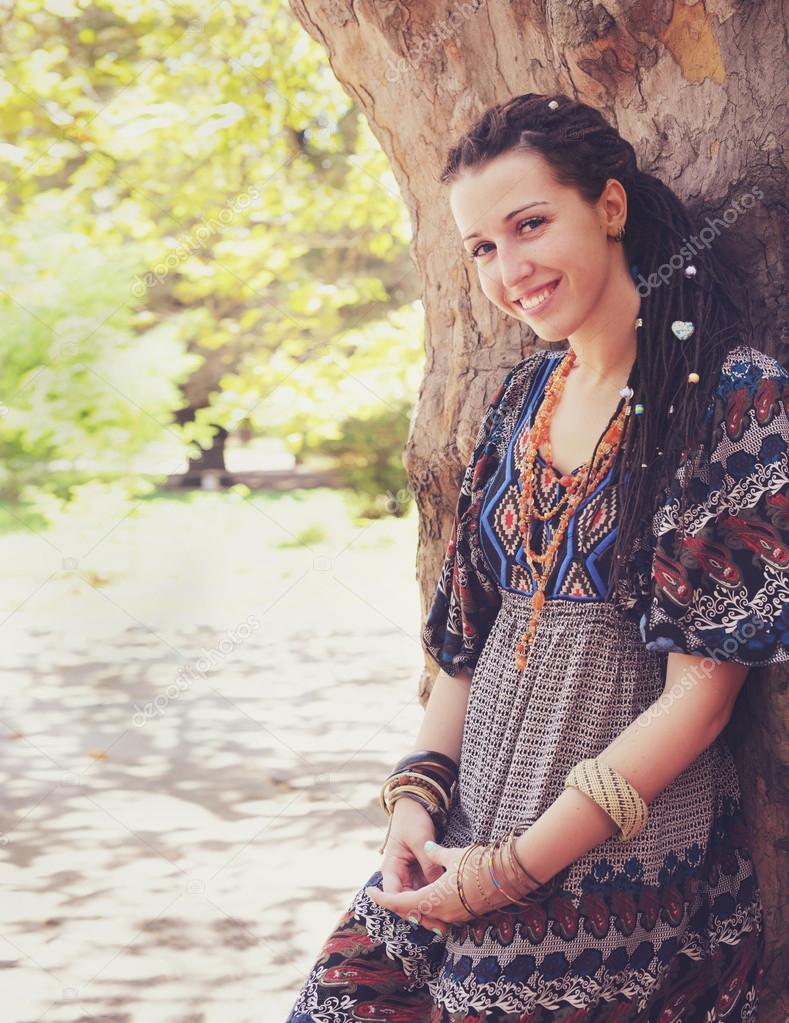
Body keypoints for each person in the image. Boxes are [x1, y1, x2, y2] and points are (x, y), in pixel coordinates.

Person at [285, 93, 788, 1022]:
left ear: (607, 206)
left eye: (529, 225)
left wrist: (512, 871)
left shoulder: (724, 398)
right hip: (465, 835)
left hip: (616, 871)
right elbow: (466, 645)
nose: (509, 270)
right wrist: (413, 801)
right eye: (481, 248)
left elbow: (700, 700)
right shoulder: (522, 399)